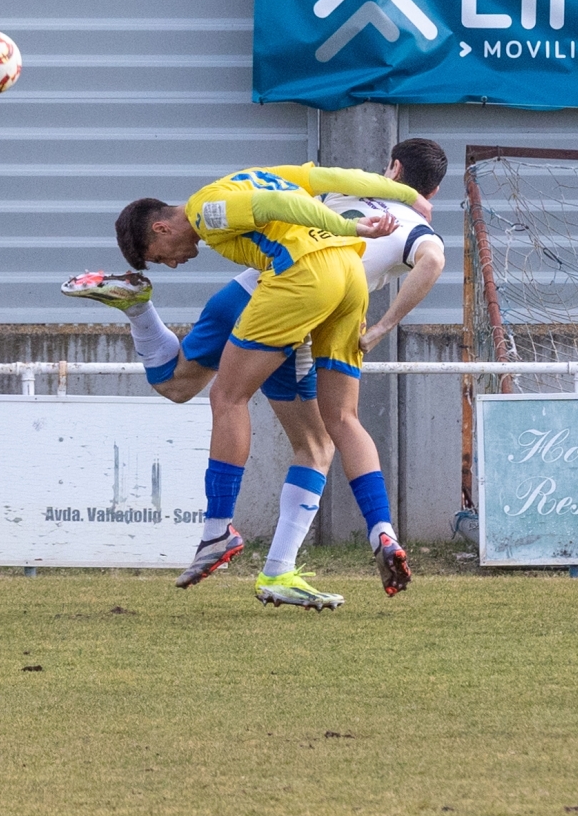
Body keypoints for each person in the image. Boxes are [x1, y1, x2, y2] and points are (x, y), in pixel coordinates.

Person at [64, 142, 447, 606]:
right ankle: (340, 548)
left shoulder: (208, 208)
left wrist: (349, 224)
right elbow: (335, 176)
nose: (175, 262)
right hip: (344, 288)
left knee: (196, 388)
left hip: (283, 285)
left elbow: (279, 202)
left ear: (163, 227)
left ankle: (215, 531)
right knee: (326, 434)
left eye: (161, 255)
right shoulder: (411, 219)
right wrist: (384, 315)